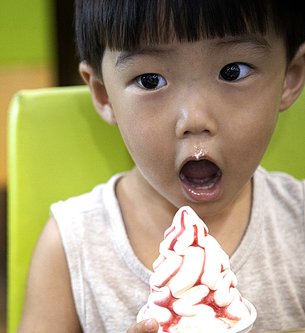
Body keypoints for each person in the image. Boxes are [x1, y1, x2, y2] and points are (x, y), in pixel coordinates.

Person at [18, 1, 305, 332]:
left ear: (290, 77)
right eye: (150, 80)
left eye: (233, 71)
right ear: (103, 94)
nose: (195, 119)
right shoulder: (69, 249)